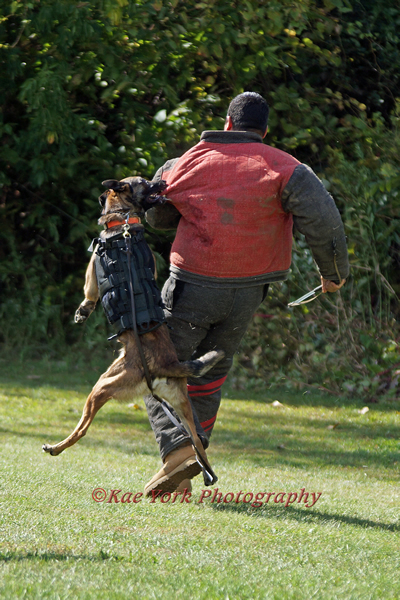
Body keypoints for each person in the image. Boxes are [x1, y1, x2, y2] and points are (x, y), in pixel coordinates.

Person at [143, 92, 349, 496]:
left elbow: (157, 215)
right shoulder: (287, 168)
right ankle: (183, 472)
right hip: (250, 292)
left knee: (156, 365)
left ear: (227, 123)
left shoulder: (188, 161)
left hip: (193, 285)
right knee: (208, 373)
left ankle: (178, 452)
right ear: (264, 131)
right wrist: (334, 274)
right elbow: (324, 219)